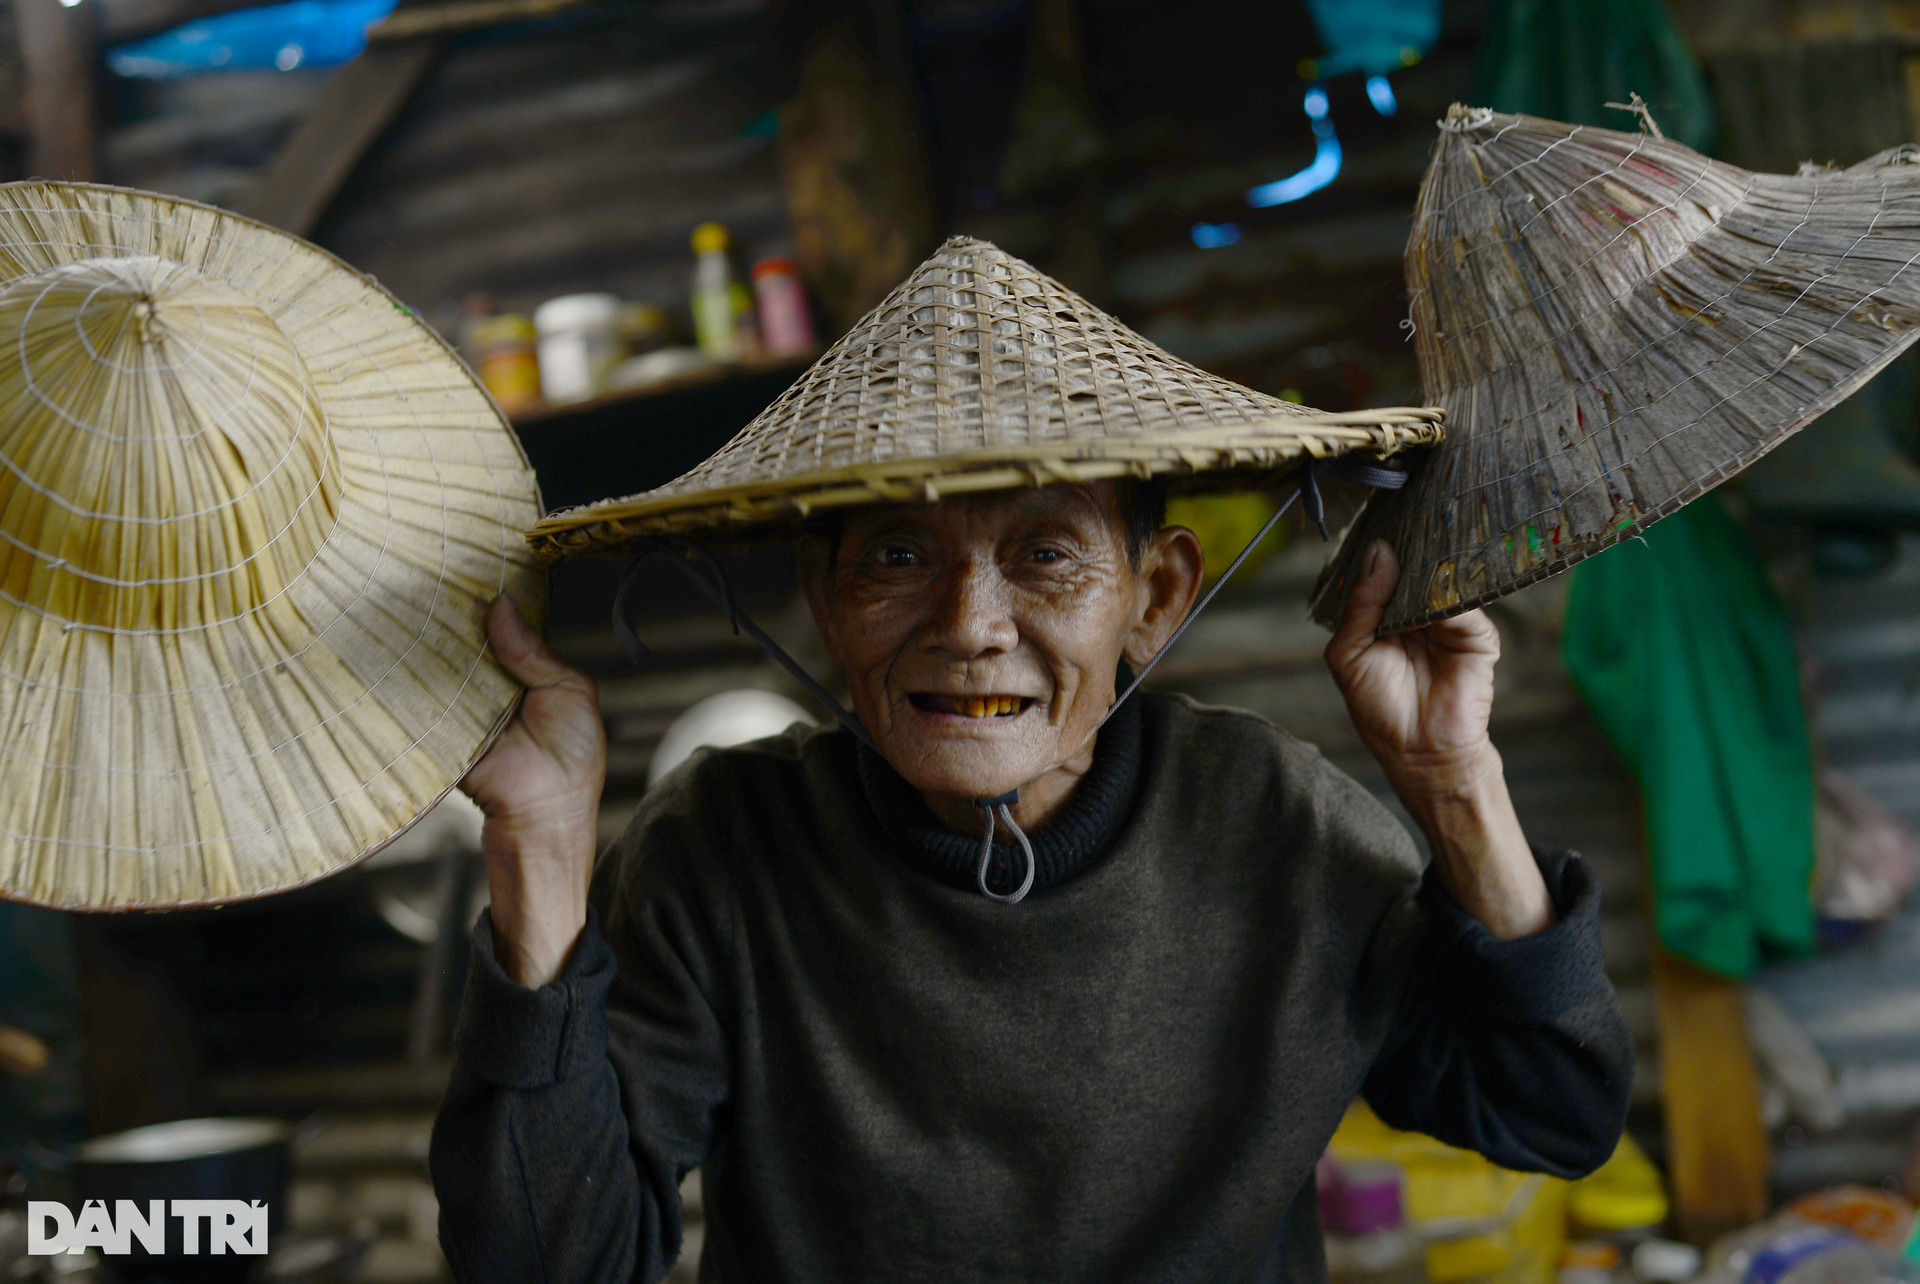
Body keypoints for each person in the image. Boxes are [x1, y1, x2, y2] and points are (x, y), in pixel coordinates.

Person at [429, 240, 1631, 1283]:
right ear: (827, 599)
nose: (970, 624)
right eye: (896, 554)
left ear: (1155, 596)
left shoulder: (1268, 822)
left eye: (1046, 554)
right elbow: (547, 1261)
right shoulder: (730, 845)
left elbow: (1555, 1112)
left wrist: (1452, 781)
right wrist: (537, 848)